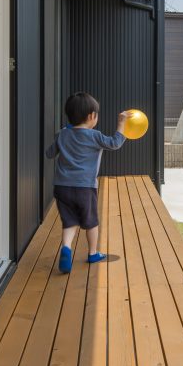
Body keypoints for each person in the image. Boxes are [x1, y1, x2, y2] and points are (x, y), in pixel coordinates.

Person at [46, 92, 129, 273]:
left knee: (69, 221)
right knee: (90, 221)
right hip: (84, 187)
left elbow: (49, 153)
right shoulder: (94, 136)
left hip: (62, 187)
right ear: (92, 116)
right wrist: (121, 124)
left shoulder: (62, 134)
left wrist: (60, 135)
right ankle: (92, 253)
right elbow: (114, 143)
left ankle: (66, 247)